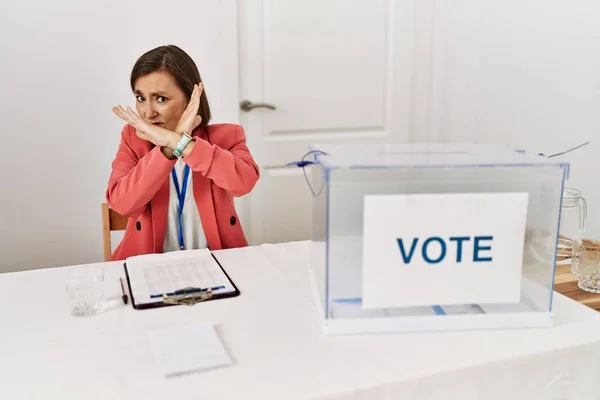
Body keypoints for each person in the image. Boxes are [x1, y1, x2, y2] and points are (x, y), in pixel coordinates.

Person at [106, 45, 259, 261]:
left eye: (161, 99)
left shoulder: (227, 136)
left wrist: (180, 142)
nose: (148, 113)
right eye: (141, 98)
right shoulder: (133, 140)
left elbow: (244, 183)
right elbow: (122, 204)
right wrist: (168, 149)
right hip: (147, 267)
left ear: (189, 98)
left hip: (218, 266)